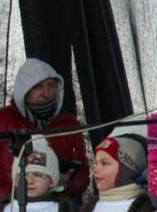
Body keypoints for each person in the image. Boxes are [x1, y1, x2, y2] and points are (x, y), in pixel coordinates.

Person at [0, 58, 90, 200]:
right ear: (24, 89)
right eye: (38, 87)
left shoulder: (69, 124)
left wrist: (65, 185)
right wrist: (13, 196)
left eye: (51, 86)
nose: (46, 93)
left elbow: (83, 174)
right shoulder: (3, 120)